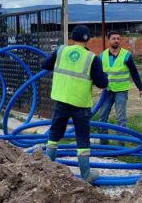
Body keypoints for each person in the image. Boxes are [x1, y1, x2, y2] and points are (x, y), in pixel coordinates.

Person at [41, 25, 108, 182]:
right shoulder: (92, 58)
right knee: (82, 138)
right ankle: (85, 174)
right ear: (88, 39)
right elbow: (102, 83)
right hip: (81, 104)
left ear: (72, 38)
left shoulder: (61, 51)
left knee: (55, 133)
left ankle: (47, 167)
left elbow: (44, 65)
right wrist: (104, 76)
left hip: (61, 100)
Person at [96, 32, 142, 143]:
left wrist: (140, 88)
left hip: (121, 91)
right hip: (107, 91)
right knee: (102, 116)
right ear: (109, 40)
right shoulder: (102, 56)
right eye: (114, 38)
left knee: (121, 118)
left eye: (118, 38)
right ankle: (104, 144)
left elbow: (134, 73)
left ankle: (120, 145)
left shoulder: (126, 55)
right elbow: (97, 73)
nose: (116, 40)